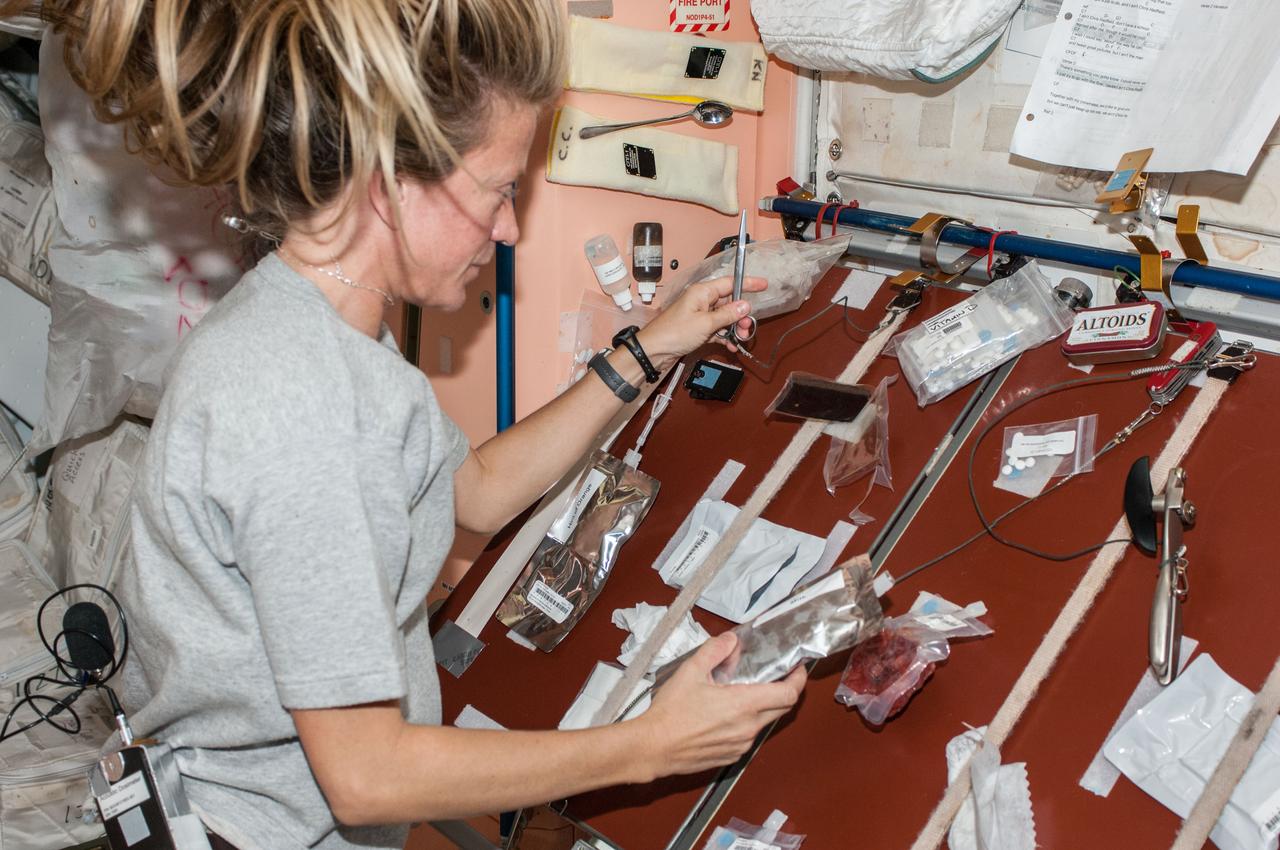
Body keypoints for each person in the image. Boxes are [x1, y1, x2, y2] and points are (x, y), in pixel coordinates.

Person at [18, 1, 808, 848]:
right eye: (501, 190)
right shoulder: (300, 397)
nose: (508, 229)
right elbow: (367, 777)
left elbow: (475, 490)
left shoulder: (325, 329)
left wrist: (652, 344)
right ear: (390, 185)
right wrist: (646, 747)